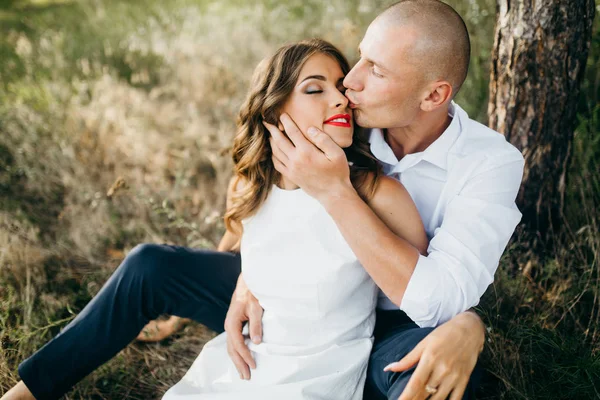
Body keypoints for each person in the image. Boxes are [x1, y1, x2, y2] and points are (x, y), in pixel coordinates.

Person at [2, 1, 519, 399]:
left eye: (375, 71)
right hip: (297, 296)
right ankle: (30, 390)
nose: (352, 85)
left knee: (436, 379)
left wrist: (469, 324)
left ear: (433, 96)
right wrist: (249, 276)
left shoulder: (489, 165)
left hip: (392, 322)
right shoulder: (343, 117)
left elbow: (440, 297)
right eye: (358, 60)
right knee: (150, 266)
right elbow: (272, 212)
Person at [162, 38, 428, 399]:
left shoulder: (379, 193)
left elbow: (425, 294)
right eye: (315, 89)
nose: (340, 100)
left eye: (340, 87)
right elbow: (234, 244)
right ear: (273, 111)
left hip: (322, 376)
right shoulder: (248, 184)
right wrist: (230, 291)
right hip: (249, 361)